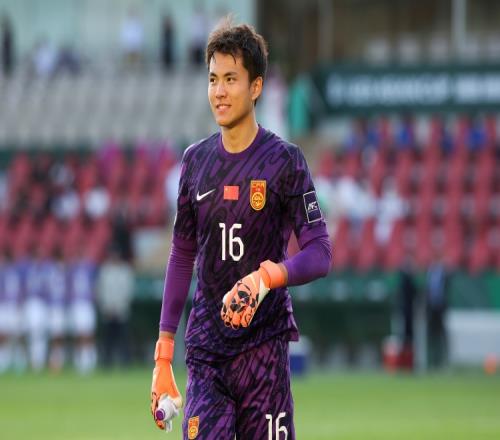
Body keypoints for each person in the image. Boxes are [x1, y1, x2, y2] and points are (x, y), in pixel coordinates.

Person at [150, 21, 332, 439]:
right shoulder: (195, 162)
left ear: (256, 87)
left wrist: (266, 277)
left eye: (231, 79)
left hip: (264, 351)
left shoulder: (285, 161)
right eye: (213, 79)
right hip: (207, 352)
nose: (219, 91)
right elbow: (181, 255)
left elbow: (320, 252)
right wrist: (163, 355)